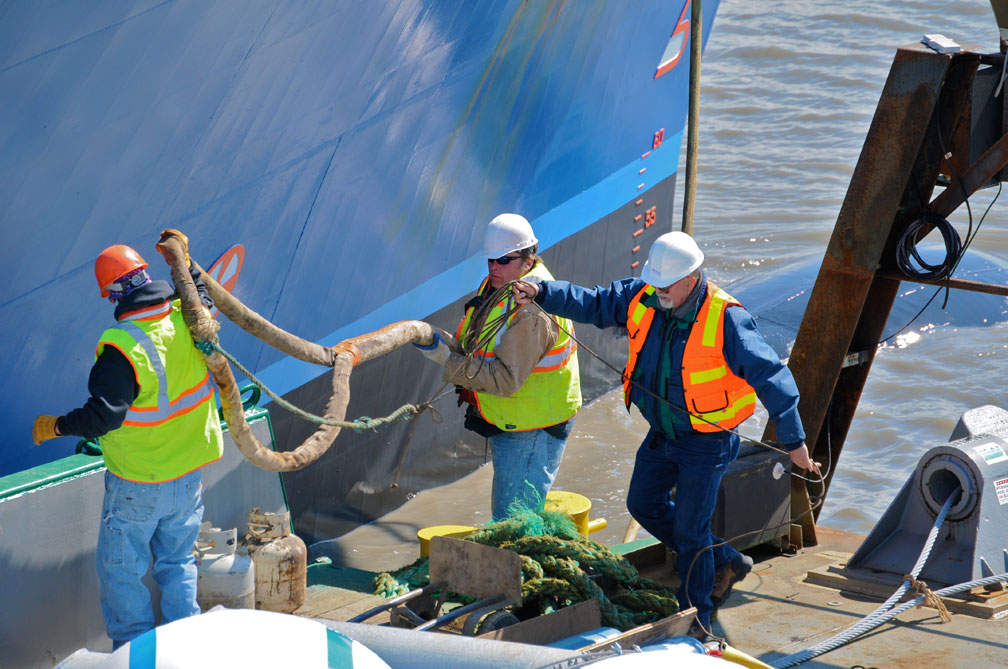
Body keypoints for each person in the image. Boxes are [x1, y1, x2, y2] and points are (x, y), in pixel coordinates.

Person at [513, 230, 819, 638]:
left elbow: (771, 375)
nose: (657, 293)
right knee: (643, 502)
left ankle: (697, 618)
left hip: (706, 443)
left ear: (691, 281)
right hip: (663, 433)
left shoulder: (726, 318)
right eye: (653, 284)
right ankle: (725, 558)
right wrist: (542, 292)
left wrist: (795, 442)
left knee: (692, 532)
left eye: (666, 286)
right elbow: (593, 301)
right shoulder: (646, 296)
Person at [31, 232, 223, 649]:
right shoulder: (185, 317)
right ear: (145, 275)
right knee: (177, 563)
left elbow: (104, 416)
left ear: (111, 296)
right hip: (188, 475)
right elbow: (201, 298)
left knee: (122, 572)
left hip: (139, 483)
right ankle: (185, 649)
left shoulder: (123, 347)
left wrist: (57, 426)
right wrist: (185, 264)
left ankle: (134, 656)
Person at [415, 213, 582, 521]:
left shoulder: (532, 309)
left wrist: (444, 359)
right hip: (517, 421)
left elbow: (505, 379)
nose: (494, 267)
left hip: (533, 429)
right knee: (511, 518)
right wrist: (448, 344)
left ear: (528, 257)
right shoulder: (503, 283)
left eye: (504, 260)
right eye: (490, 260)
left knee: (513, 524)